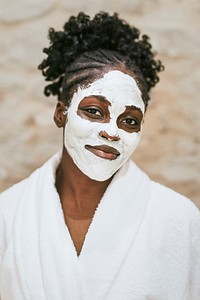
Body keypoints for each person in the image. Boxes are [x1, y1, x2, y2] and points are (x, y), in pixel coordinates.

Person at [0, 12, 200, 300]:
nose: (112, 132)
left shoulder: (179, 221)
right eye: (94, 111)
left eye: (129, 120)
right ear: (61, 113)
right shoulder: (8, 215)